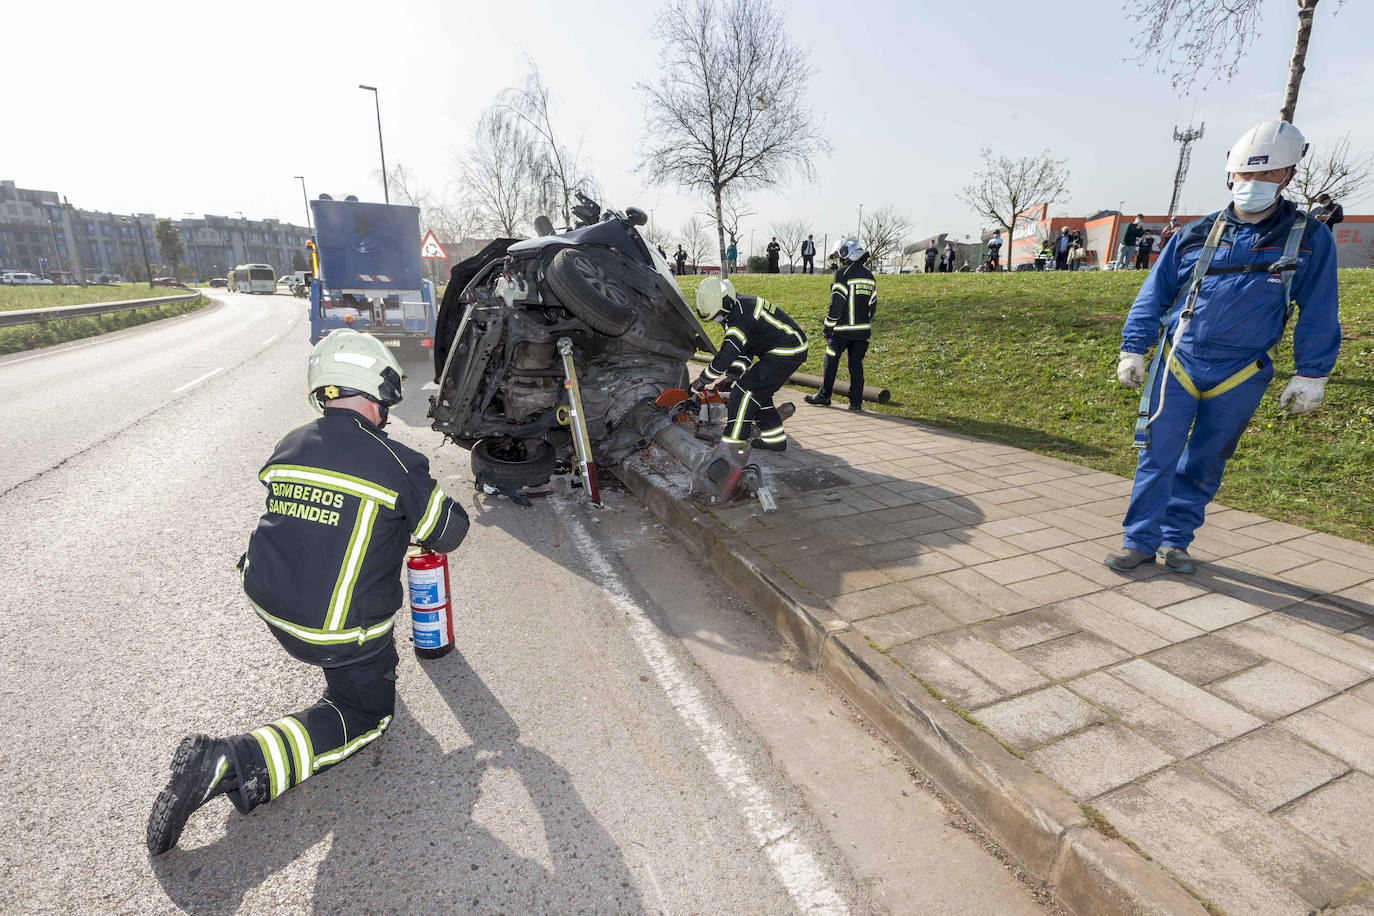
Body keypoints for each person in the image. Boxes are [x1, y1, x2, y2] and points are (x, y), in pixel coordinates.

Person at [146, 329, 471, 855]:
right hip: (333, 628)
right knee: (366, 714)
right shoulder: (397, 463)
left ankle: (345, 672)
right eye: (387, 398)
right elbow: (449, 532)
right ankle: (234, 762)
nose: (388, 409)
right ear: (376, 391)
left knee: (343, 584)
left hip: (273, 603)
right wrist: (419, 499)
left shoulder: (291, 442)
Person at [1108, 119, 1339, 574]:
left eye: (1265, 175)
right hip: (1179, 360)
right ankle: (1139, 541)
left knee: (1205, 460)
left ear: (1288, 175)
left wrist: (1312, 372)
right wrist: (1133, 346)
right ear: (1231, 174)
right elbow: (1153, 294)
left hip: (1242, 371)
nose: (1252, 184)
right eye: (1245, 176)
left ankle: (1176, 542)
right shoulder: (1195, 233)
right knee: (1157, 453)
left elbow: (1318, 309)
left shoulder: (1310, 238)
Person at [692, 276, 808, 451]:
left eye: (718, 316)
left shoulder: (738, 315)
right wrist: (731, 376)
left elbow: (727, 354)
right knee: (759, 393)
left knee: (744, 392)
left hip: (787, 350)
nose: (718, 320)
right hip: (786, 348)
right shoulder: (738, 308)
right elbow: (745, 350)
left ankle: (731, 446)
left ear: (726, 302)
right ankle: (774, 439)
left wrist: (703, 379)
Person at [805, 236, 876, 412]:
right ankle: (856, 403)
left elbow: (837, 303)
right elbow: (872, 305)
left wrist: (828, 327)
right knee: (856, 366)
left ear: (846, 253)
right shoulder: (869, 275)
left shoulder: (842, 273)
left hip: (841, 331)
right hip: (862, 332)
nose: (838, 258)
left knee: (831, 360)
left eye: (839, 254)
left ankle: (824, 395)